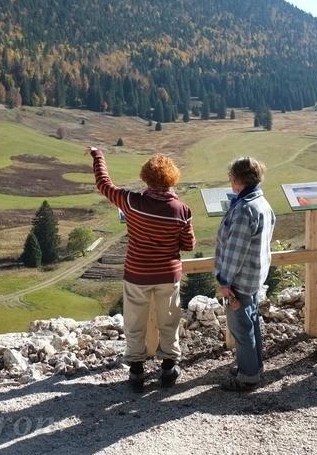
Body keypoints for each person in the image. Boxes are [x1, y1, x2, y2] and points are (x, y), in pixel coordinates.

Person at [87, 146, 195, 391]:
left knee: (135, 321)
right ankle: (168, 367)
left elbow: (103, 184)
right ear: (172, 179)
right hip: (168, 274)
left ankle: (136, 371)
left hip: (137, 274)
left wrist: (98, 156)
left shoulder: (130, 202)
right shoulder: (182, 210)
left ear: (145, 177)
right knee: (169, 319)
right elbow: (188, 244)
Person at [215, 156, 275, 391]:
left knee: (241, 329)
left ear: (238, 179)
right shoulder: (262, 202)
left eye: (231, 176)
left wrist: (225, 280)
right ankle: (254, 366)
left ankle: (248, 376)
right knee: (251, 322)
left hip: (239, 280)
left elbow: (235, 251)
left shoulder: (244, 209)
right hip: (254, 276)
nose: (230, 180)